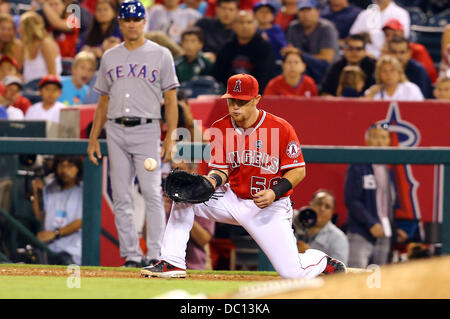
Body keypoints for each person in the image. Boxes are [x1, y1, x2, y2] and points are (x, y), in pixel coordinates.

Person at [141, 73, 346, 278]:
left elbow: (299, 170)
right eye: (232, 101)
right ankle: (172, 262)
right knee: (184, 197)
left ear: (256, 100)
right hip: (233, 199)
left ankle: (320, 260)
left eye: (242, 101)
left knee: (292, 272)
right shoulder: (221, 127)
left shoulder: (280, 128)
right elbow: (221, 170)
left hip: (269, 207)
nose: (236, 107)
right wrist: (211, 181)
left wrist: (275, 193)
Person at [87, 0, 179, 268]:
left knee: (151, 191)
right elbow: (103, 101)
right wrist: (94, 137)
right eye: (127, 19)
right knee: (121, 195)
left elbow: (171, 98)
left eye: (136, 19)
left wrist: (171, 134)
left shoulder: (161, 54)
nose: (132, 24)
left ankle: (154, 254)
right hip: (114, 128)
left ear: (144, 21)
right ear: (120, 23)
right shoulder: (109, 56)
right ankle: (131, 255)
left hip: (147, 127)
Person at [344, 123, 408, 268]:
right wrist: (371, 223)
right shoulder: (358, 166)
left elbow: (386, 205)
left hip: (384, 234)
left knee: (378, 281)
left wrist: (393, 227)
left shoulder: (388, 170)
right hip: (361, 232)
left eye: (384, 137)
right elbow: (352, 200)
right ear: (367, 140)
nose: (380, 141)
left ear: (389, 142)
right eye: (375, 137)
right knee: (356, 277)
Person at [31, 155, 83, 265]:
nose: (64, 170)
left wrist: (55, 233)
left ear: (78, 168)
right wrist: (36, 195)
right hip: (49, 249)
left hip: (73, 251)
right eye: (61, 165)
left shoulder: (83, 190)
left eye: (70, 166)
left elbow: (80, 222)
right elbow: (40, 217)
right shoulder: (50, 188)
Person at [163, 161, 215, 270]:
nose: (175, 173)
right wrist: (160, 211)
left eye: (180, 169)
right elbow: (146, 235)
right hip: (165, 262)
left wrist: (185, 211)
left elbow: (204, 239)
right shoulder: (166, 194)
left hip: (196, 266)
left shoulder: (202, 196)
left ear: (193, 172)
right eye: (173, 169)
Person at [212, 10, 276, 92]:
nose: (245, 26)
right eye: (241, 22)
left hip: (254, 95)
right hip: (229, 94)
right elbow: (218, 74)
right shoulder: (227, 47)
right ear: (234, 25)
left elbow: (264, 77)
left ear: (255, 25)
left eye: (249, 22)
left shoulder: (264, 47)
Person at [295, 189, 349, 264]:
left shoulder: (339, 238)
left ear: (332, 213)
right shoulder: (294, 222)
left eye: (327, 207)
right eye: (319, 204)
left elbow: (339, 270)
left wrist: (309, 254)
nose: (322, 209)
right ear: (310, 204)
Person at [381, 18, 438, 84]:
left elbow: (429, 75)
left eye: (394, 34)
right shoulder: (384, 52)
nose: (390, 38)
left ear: (402, 33)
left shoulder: (418, 50)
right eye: (387, 35)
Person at [286, 0, 339, 64]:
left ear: (317, 12)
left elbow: (327, 58)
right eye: (302, 10)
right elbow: (290, 51)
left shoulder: (327, 28)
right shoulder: (293, 27)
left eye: (308, 10)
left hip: (324, 69)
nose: (305, 15)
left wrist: (300, 54)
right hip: (301, 66)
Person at [19, 11, 62, 83]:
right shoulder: (25, 46)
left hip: (46, 89)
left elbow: (53, 75)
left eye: (21, 27)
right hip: (28, 89)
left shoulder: (46, 44)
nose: (18, 30)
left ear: (28, 29)